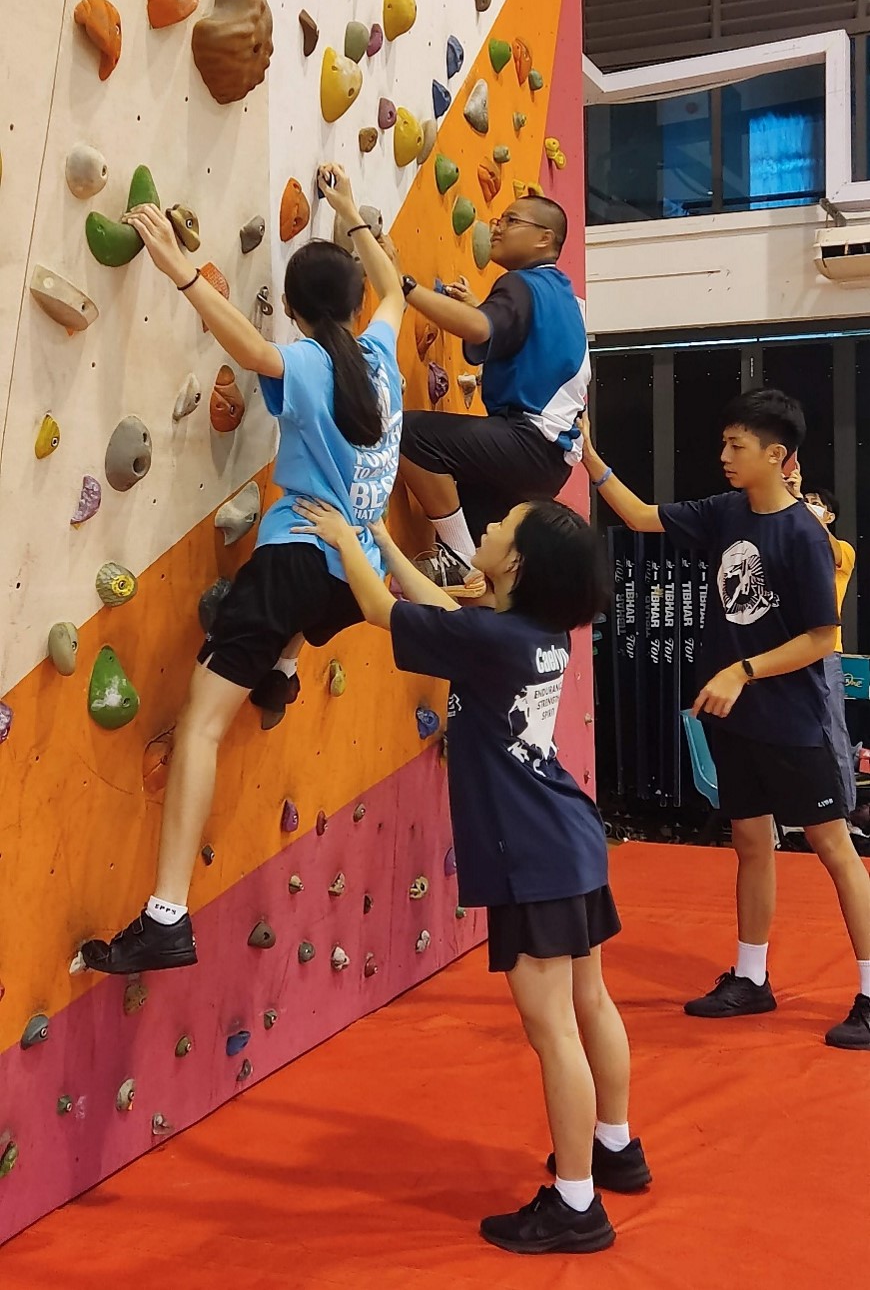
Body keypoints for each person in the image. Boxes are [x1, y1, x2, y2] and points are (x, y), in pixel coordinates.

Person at [293, 493, 650, 1256]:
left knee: (552, 1026)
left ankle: (576, 1204)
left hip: (534, 853)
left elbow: (382, 612)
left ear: (514, 564)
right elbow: (446, 620)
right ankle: (616, 1146)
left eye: (499, 527)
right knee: (590, 999)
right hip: (571, 839)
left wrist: (342, 535)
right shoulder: (534, 633)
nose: (485, 528)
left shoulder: (495, 638)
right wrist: (385, 539)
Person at [77, 166, 405, 975]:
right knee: (287, 630)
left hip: (297, 559)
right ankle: (284, 672)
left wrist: (178, 267)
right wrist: (344, 212)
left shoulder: (304, 364)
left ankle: (167, 915)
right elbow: (394, 286)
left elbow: (249, 345)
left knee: (200, 724)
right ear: (357, 304)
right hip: (351, 574)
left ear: (296, 310)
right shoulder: (382, 349)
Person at [580, 388, 870, 1050]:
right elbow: (639, 514)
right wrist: (591, 459)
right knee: (749, 842)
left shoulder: (804, 536)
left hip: (795, 720)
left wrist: (742, 670)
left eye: (737, 446)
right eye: (724, 444)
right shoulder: (725, 511)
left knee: (834, 848)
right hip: (738, 721)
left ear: (778, 454)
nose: (724, 456)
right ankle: (750, 976)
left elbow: (822, 637)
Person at [396, 195, 591, 599]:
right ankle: (465, 571)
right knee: (477, 528)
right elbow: (497, 332)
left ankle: (458, 557)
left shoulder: (523, 284)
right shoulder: (564, 297)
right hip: (546, 463)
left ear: (544, 239)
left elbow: (481, 329)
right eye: (499, 217)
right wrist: (478, 310)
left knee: (408, 434)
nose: (496, 226)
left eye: (511, 220)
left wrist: (405, 287)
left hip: (527, 442)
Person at [786, 463, 858, 816]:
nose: (811, 505)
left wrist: (798, 497)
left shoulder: (841, 550)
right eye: (809, 500)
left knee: (833, 730)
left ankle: (845, 810)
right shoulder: (799, 547)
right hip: (788, 650)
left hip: (826, 651)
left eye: (817, 503)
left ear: (829, 516)